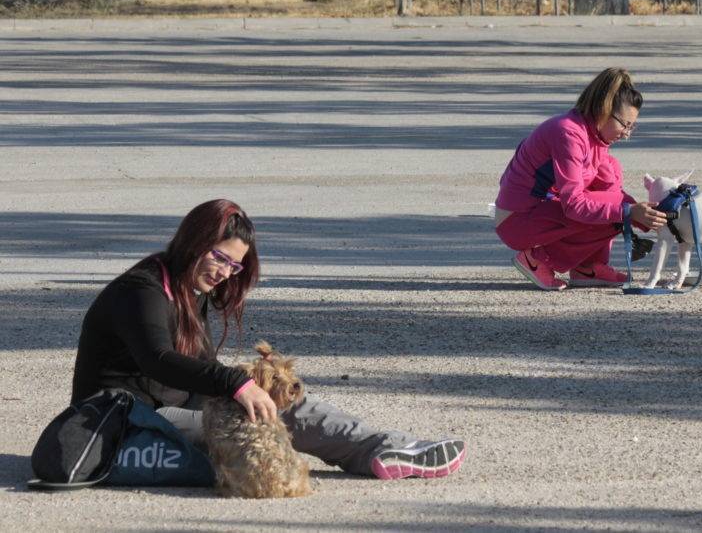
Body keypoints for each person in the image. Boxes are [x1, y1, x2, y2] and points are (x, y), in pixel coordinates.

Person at [71, 199, 465, 480]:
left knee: (275, 401)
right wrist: (235, 385)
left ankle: (391, 447)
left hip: (164, 415)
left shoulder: (189, 290)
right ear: (194, 241)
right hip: (126, 424)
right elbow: (157, 360)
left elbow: (197, 374)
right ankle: (383, 449)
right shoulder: (142, 290)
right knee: (268, 411)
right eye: (219, 258)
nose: (226, 272)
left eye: (235, 265)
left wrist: (249, 389)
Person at [493, 67, 667, 290]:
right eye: (624, 124)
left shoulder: (595, 137)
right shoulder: (568, 132)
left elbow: (611, 195)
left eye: (632, 127)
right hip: (517, 220)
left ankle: (588, 268)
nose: (627, 133)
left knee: (612, 175)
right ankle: (536, 259)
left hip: (542, 212)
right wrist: (629, 213)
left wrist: (645, 217)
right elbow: (574, 206)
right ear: (603, 110)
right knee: (619, 208)